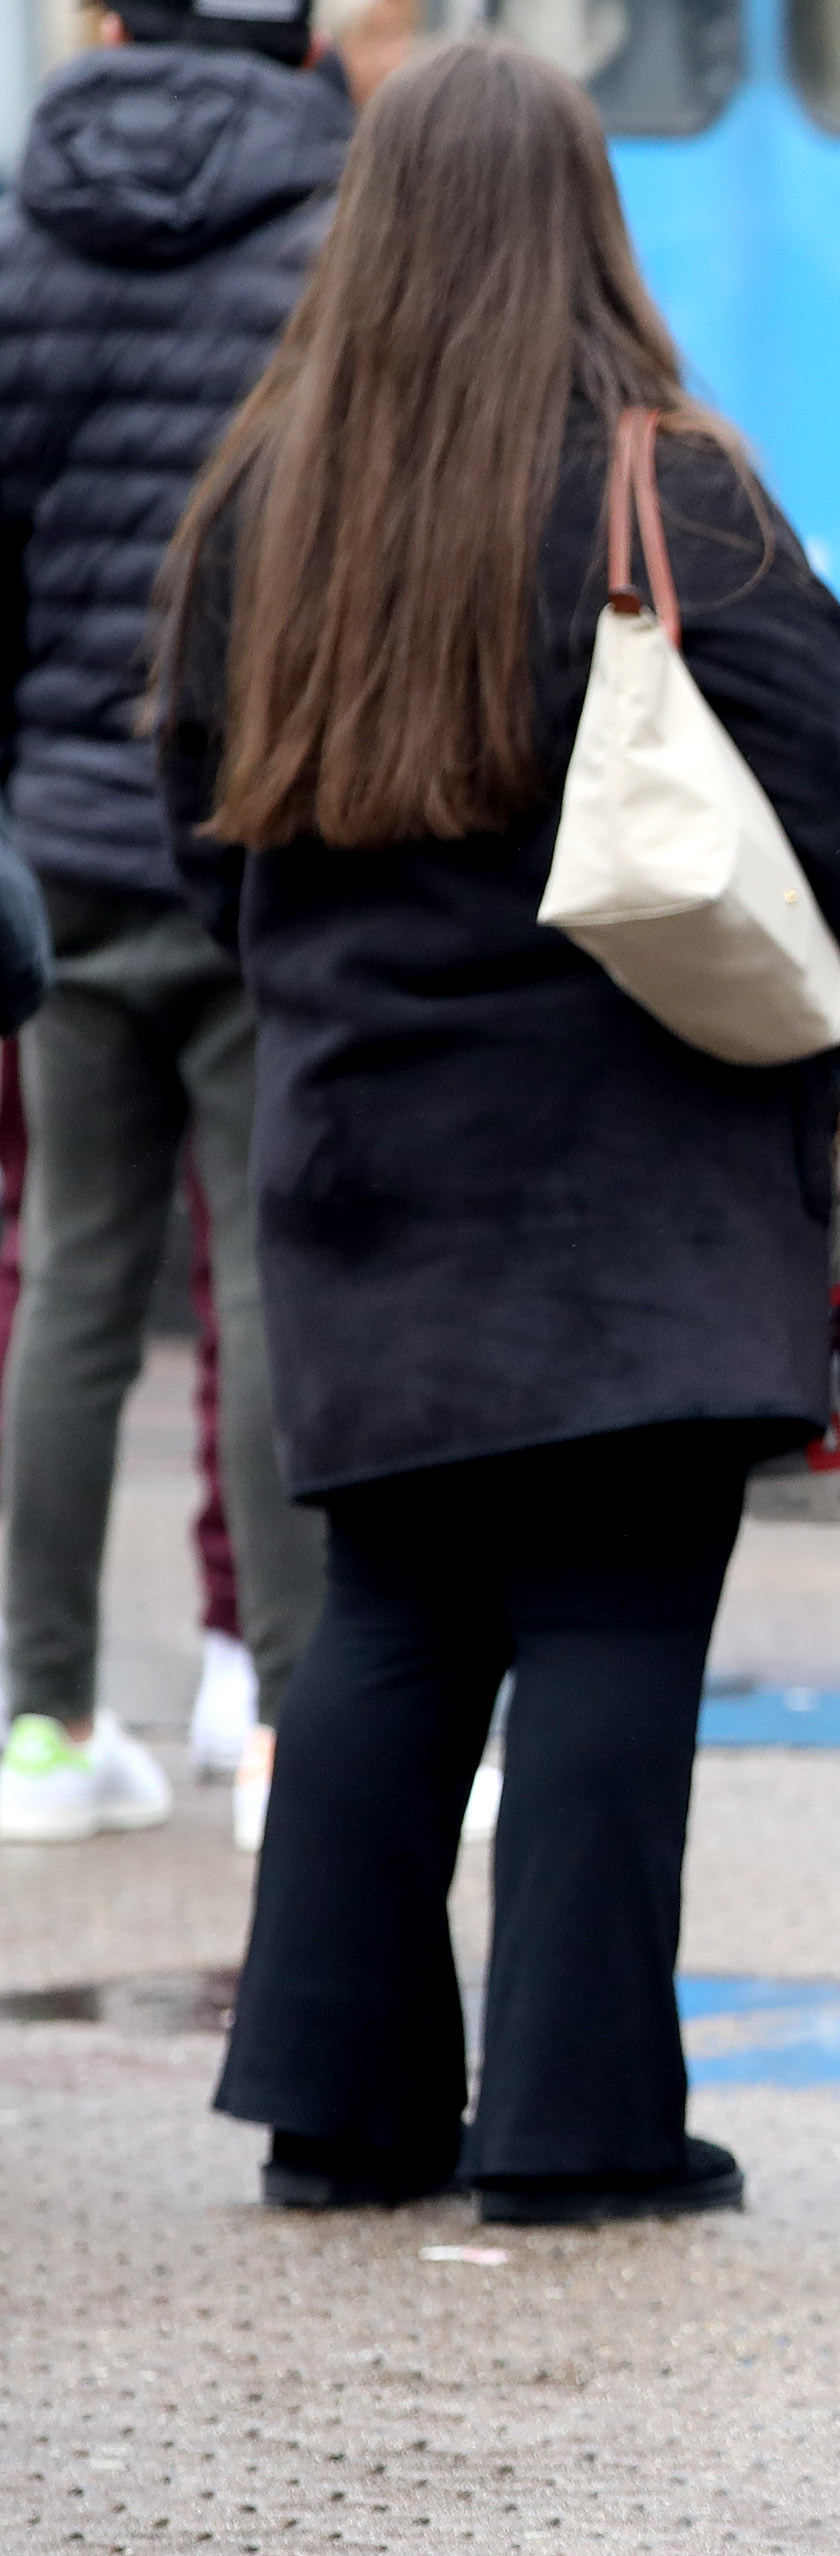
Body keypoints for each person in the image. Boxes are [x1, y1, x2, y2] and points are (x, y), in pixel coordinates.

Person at [158, 35, 840, 2218]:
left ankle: (340, 2105)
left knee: (385, 1616)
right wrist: (818, 1011)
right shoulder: (663, 488)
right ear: (592, 221)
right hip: (627, 1167)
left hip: (356, 1158)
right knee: (602, 1622)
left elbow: (200, 823)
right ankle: (576, 2125)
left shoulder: (264, 495)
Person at [0, 0, 348, 1850]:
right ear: (290, 42)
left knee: (71, 1278)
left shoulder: (22, 228)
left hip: (54, 849)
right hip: (252, 831)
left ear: (112, 22)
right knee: (262, 1278)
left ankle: (39, 1725)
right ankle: (285, 1723)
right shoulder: (327, 231)